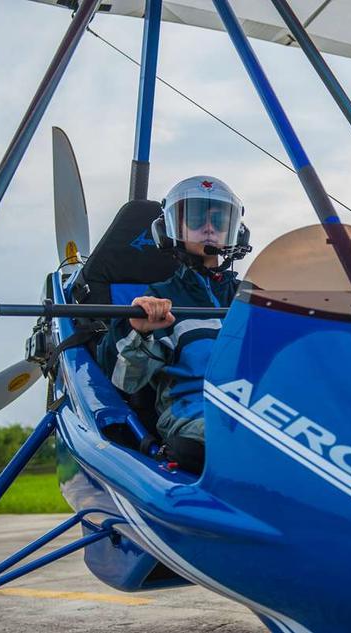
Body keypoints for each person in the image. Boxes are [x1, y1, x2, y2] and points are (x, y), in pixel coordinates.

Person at [97, 176, 250, 474]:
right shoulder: (158, 299)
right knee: (246, 441)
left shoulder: (254, 297)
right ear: (172, 228)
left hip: (260, 409)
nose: (209, 227)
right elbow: (124, 383)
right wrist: (141, 332)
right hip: (192, 413)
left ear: (235, 230)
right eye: (196, 218)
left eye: (219, 219)